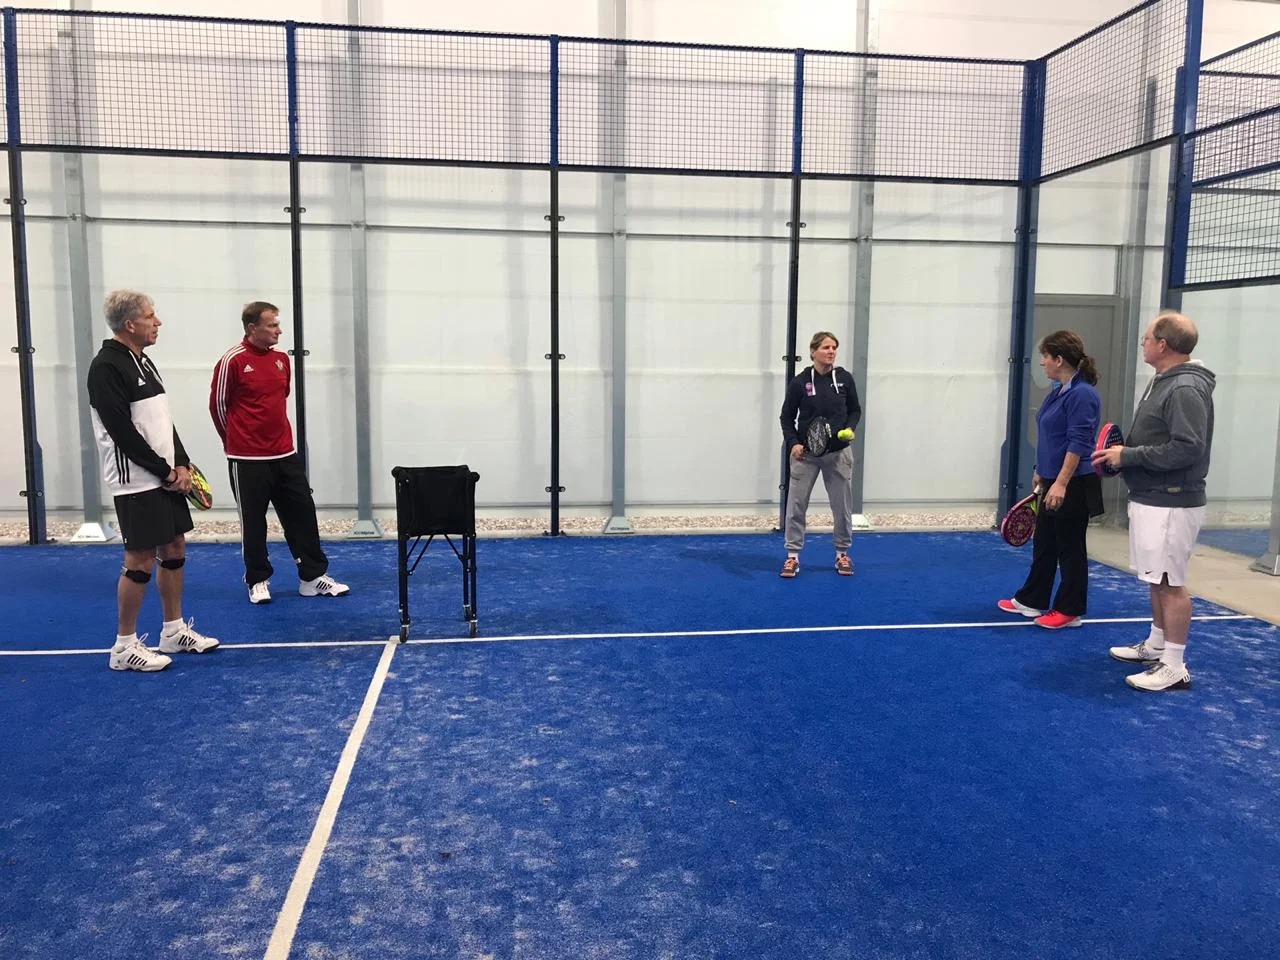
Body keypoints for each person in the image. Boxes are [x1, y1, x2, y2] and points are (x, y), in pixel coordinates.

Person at [87, 290, 220, 672]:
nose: (157, 322)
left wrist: (182, 464)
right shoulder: (106, 367)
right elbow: (122, 432)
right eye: (150, 316)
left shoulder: (144, 361)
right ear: (130, 324)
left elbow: (162, 421)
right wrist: (165, 472)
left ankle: (173, 631)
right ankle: (124, 646)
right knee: (140, 560)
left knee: (174, 548)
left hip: (165, 478)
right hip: (137, 482)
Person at [1092, 310, 1215, 692]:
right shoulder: (1165, 381)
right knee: (1156, 578)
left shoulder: (1184, 388)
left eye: (1146, 338)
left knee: (1169, 582)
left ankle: (1174, 666)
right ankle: (1157, 645)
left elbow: (1188, 448)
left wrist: (1128, 456)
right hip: (1153, 497)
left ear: (1163, 344)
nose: (1142, 343)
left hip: (1172, 501)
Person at [210, 301, 349, 604]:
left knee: (302, 514)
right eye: (272, 325)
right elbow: (218, 406)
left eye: (277, 324)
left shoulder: (281, 360)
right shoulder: (232, 360)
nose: (279, 330)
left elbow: (279, 398)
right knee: (253, 522)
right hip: (247, 459)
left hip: (285, 454)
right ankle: (258, 580)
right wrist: (234, 443)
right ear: (252, 328)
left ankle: (311, 578)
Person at [997, 330, 1104, 629]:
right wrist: (1041, 470)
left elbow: (1078, 442)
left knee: (1070, 548)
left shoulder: (1082, 394)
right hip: (1052, 479)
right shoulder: (1059, 391)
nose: (1042, 362)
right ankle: (1033, 599)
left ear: (1059, 360)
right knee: (1045, 543)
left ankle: (1070, 610)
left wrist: (1061, 482)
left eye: (1045, 356)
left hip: (1074, 483)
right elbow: (1050, 437)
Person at [778, 331, 862, 578]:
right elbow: (786, 417)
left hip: (838, 454)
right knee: (796, 506)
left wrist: (850, 428)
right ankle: (792, 556)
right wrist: (793, 443)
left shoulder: (845, 379)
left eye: (834, 347)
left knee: (842, 507)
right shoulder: (799, 382)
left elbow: (855, 410)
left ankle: (842, 554)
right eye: (826, 347)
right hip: (805, 455)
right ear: (813, 351)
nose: (831, 351)